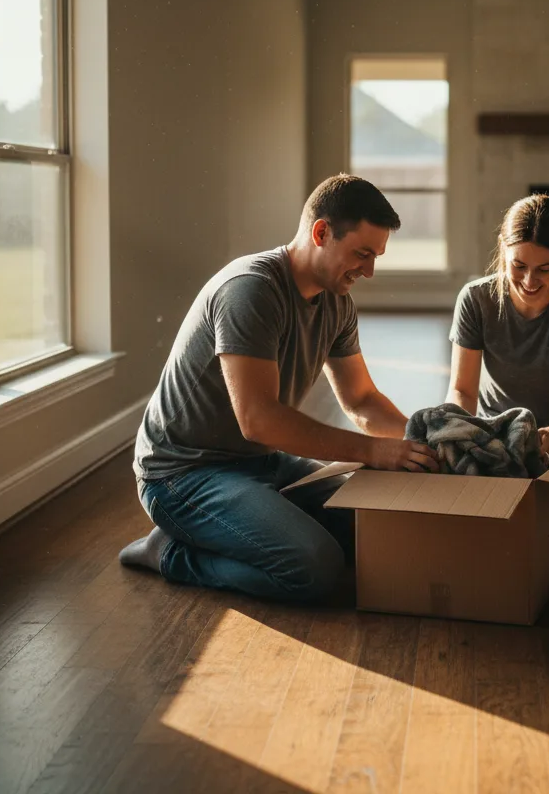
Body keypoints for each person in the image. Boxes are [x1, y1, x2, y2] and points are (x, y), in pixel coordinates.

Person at [118, 175, 438, 602]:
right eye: (362, 254)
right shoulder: (250, 290)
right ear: (321, 232)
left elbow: (361, 401)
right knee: (316, 570)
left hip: (260, 463)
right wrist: (374, 451)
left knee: (376, 532)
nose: (369, 271)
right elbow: (259, 419)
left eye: (376, 256)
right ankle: (171, 553)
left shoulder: (337, 302)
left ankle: (237, 524)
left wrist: (424, 443)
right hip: (184, 475)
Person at [446, 194, 549, 567]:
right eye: (518, 265)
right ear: (503, 249)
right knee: (487, 540)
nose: (529, 281)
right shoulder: (475, 299)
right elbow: (462, 390)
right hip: (495, 436)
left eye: (546, 270)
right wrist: (459, 435)